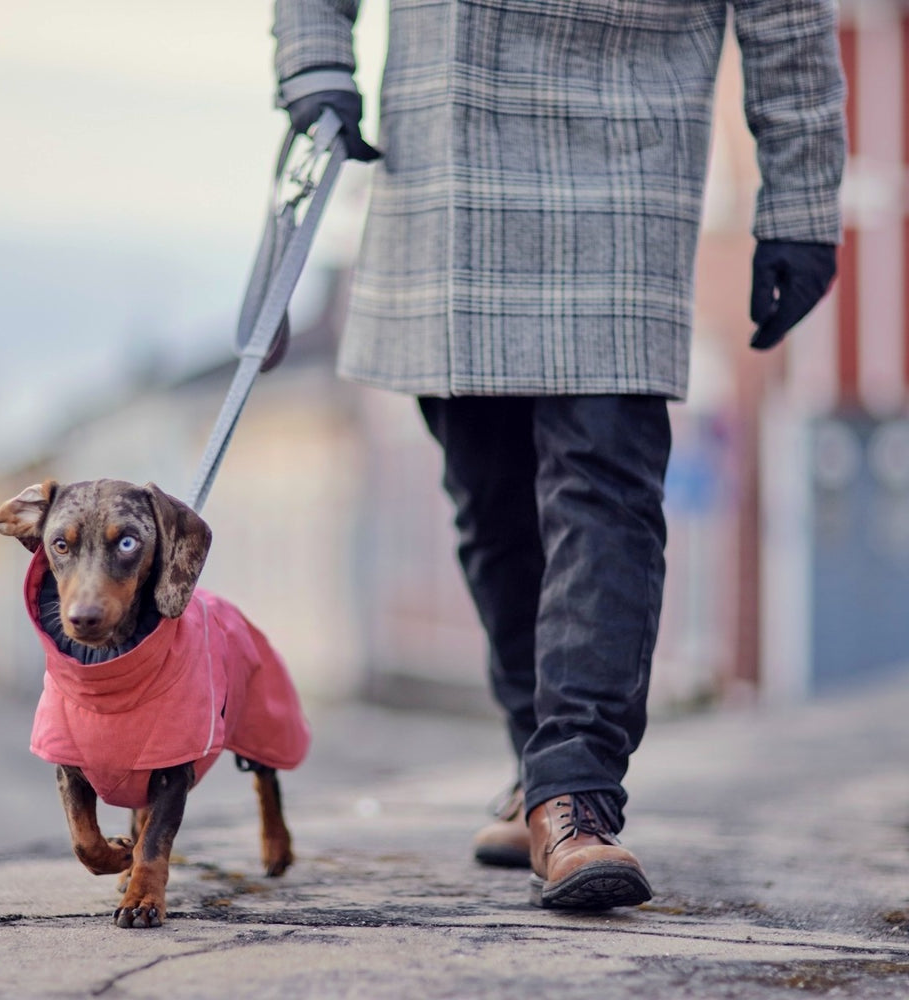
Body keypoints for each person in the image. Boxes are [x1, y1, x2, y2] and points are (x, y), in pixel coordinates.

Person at [271, 1, 846, 910]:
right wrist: (314, 66)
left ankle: (575, 797)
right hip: (444, 161)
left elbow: (789, 12)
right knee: (490, 501)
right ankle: (537, 766)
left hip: (629, 157)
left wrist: (802, 205)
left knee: (605, 491)